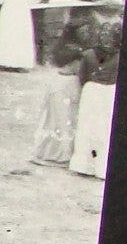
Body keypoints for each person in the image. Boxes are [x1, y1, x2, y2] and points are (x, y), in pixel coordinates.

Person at [30, 14, 96, 168]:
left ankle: (61, 152)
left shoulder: (71, 48)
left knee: (67, 118)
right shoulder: (73, 50)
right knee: (61, 120)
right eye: (83, 31)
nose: (86, 34)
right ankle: (60, 153)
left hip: (67, 84)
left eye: (87, 31)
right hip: (64, 84)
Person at [69, 20, 121, 180]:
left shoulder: (89, 54)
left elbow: (82, 77)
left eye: (108, 36)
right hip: (104, 92)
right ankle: (97, 167)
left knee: (91, 128)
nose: (106, 40)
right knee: (100, 129)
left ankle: (86, 165)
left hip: (95, 92)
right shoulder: (116, 55)